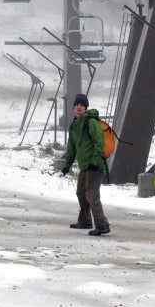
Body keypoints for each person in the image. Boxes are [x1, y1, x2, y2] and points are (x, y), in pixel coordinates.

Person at [61, 93, 110, 236]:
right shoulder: (74, 125)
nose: (79, 107)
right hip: (84, 166)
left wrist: (95, 160)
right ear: (73, 108)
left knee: (91, 194)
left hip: (95, 166)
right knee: (81, 193)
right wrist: (67, 165)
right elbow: (72, 148)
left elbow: (99, 142)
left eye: (82, 105)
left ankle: (102, 225)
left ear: (86, 107)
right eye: (77, 104)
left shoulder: (91, 122)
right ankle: (85, 221)